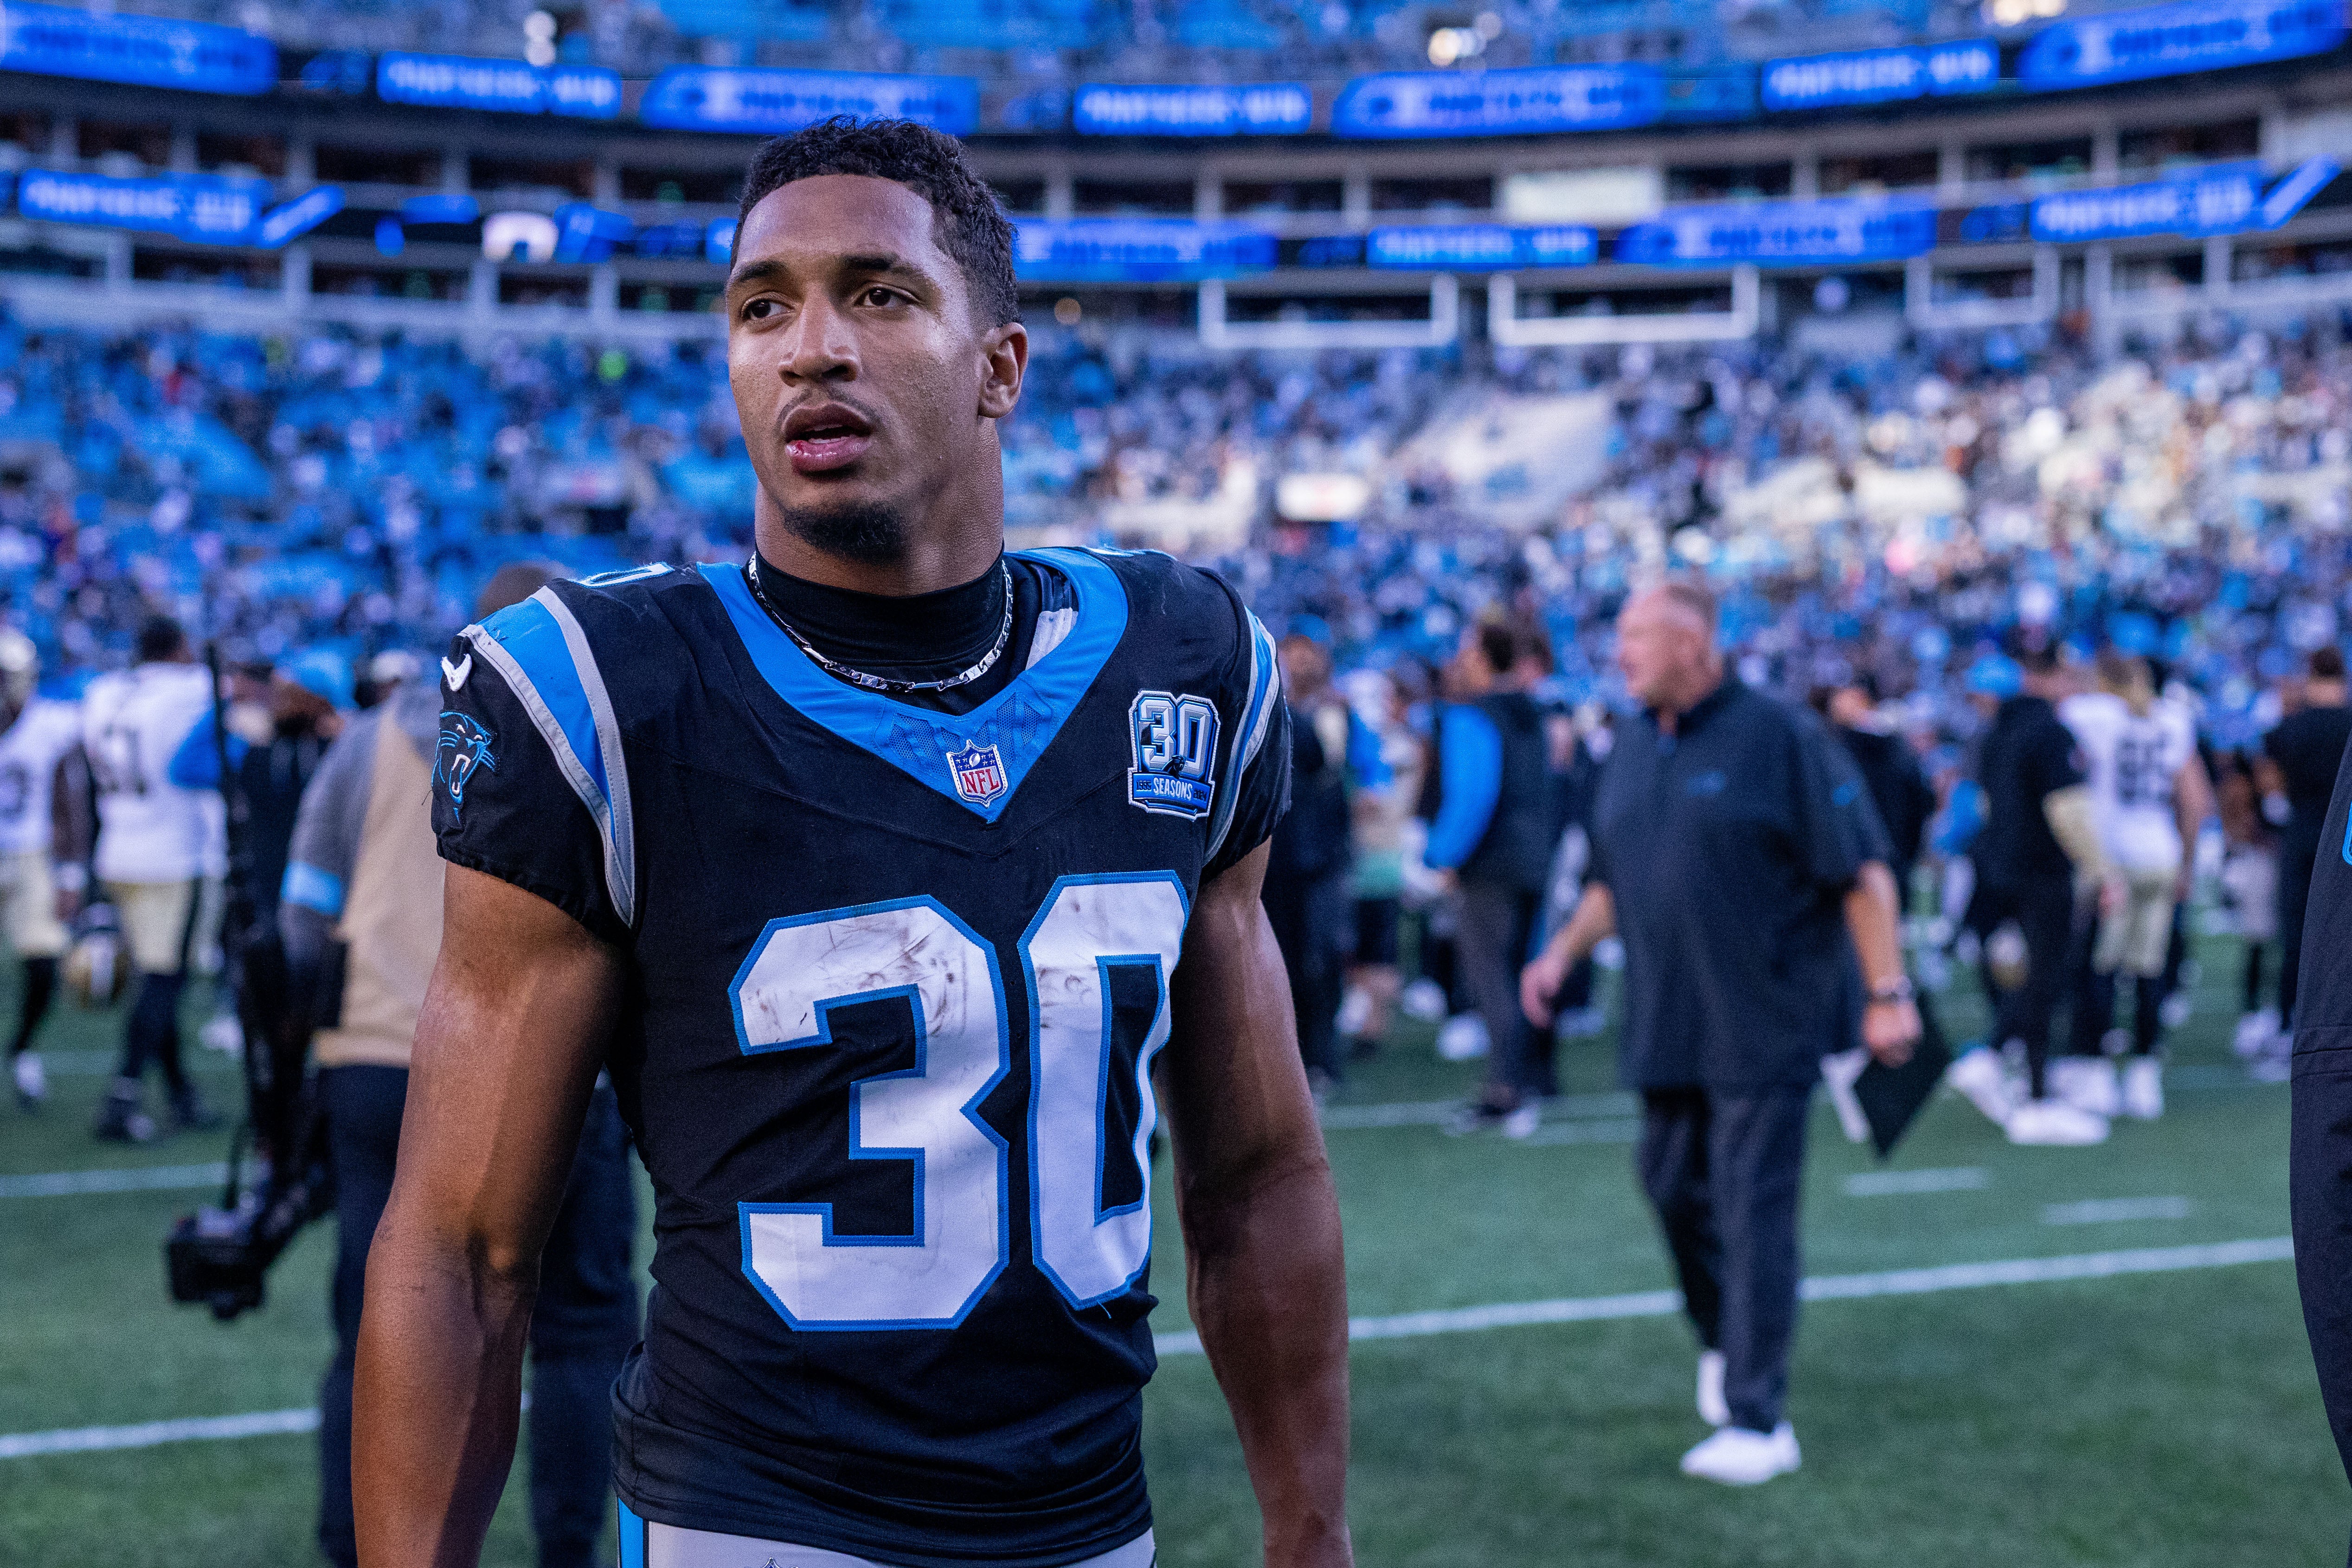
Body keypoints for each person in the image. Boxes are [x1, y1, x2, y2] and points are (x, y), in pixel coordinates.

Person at [354, 119, 1351, 1568]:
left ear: (1000, 365)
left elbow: (1256, 1171)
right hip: (752, 1524)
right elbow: (462, 1247)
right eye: (764, 304)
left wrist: (1311, 1532)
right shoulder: (606, 690)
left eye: (879, 293)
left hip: (1089, 1525)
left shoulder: (1181, 664)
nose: (809, 345)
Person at [1519, 580, 1919, 1487]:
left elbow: (1865, 874)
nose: (1620, 653)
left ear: (1696, 644)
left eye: (1637, 636)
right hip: (1667, 1017)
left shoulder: (1782, 737)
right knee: (1666, 1185)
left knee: (1753, 1208)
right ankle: (1722, 1338)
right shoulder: (1626, 744)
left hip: (1765, 1019)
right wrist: (1559, 955)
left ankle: (1758, 1415)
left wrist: (1888, 991)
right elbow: (1614, 884)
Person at [283, 566, 639, 1568]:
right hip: (549, 1066)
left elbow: (302, 912)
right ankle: (569, 1544)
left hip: (377, 1055)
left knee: (382, 1320)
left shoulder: (366, 740)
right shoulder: (593, 728)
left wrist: (302, 1055)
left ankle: (355, 1543)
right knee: (583, 1322)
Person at [1950, 643, 2116, 1147]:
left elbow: (1978, 803)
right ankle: (2025, 1083)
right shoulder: (2048, 731)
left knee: (2029, 974)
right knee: (2047, 976)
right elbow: (2068, 809)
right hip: (2042, 871)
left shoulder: (1997, 732)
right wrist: (2104, 871)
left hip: (1998, 868)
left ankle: (2006, 1061)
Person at [82, 614, 221, 1142]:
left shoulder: (103, 692)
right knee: (164, 982)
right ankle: (123, 1095)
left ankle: (182, 1093)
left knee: (155, 983)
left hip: (116, 846)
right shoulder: (188, 690)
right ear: (180, 646)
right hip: (168, 855)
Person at [2054, 651, 2210, 1120]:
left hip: (2115, 858)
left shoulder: (2092, 714)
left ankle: (2099, 1074)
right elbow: (2195, 799)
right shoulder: (2174, 719)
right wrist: (2186, 860)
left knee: (2103, 967)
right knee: (2149, 969)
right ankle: (2144, 1074)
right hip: (2160, 852)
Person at [1428, 619, 1568, 1138]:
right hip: (1536, 855)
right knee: (1524, 969)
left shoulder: (1472, 715)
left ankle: (1507, 1091)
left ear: (1486, 657)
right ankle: (1538, 1078)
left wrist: (1440, 854)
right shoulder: (1537, 711)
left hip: (1490, 862)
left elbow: (1472, 794)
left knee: (1491, 976)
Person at [1262, 631, 1367, 1094]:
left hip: (1321, 855)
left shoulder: (1333, 712)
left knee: (1320, 958)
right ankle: (1293, 1057)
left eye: (1308, 656)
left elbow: (1328, 760)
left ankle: (1323, 1056)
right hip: (1279, 856)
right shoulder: (1270, 710)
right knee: (1281, 959)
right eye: (1293, 656)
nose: (1301, 665)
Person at [0, 630, 83, 1110]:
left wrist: (70, 873)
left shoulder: (50, 725)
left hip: (31, 854)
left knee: (42, 962)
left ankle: (23, 1049)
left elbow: (69, 804)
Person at [2262, 645, 2352, 1036]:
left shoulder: (2289, 727)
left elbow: (2269, 786)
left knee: (2298, 934)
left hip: (2301, 835)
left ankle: (2290, 1023)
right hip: (2347, 839)